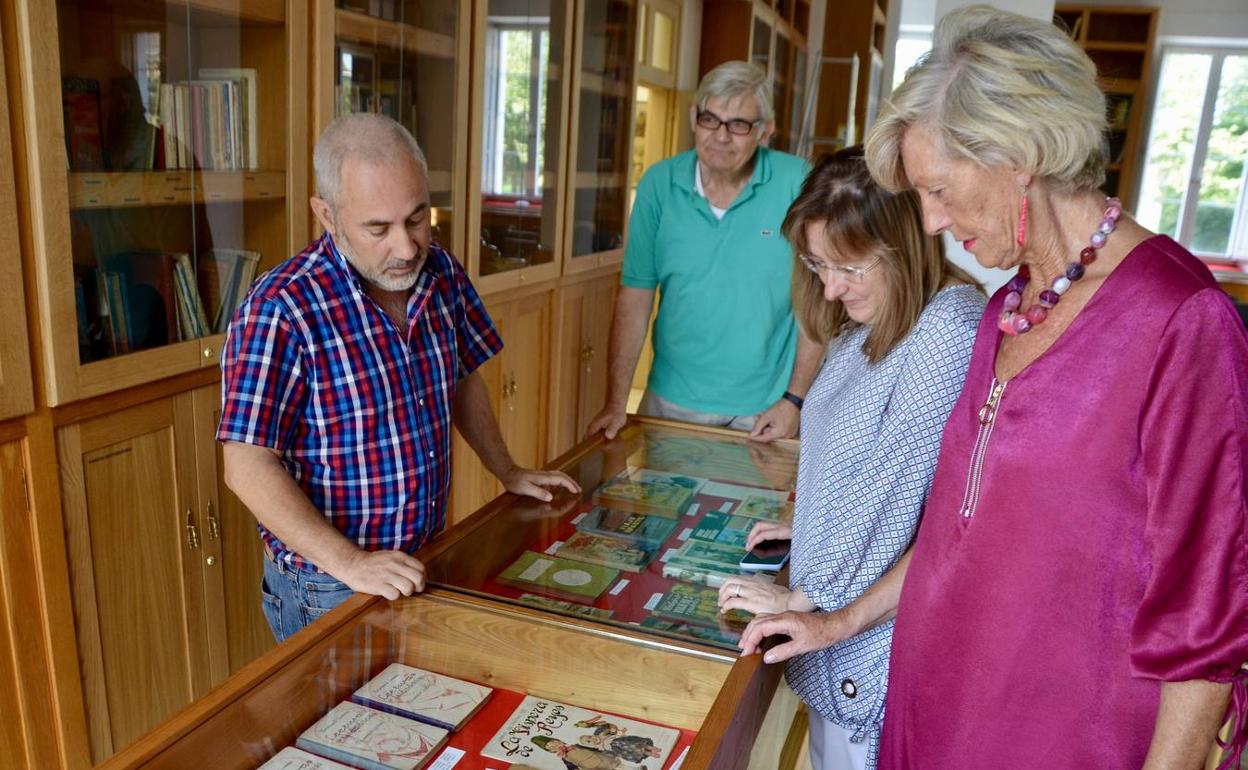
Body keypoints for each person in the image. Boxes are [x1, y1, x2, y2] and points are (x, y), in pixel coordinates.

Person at [739, 7, 1248, 769]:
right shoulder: (1007, 310)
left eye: (939, 190)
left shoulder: (1182, 321)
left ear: (1022, 154)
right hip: (930, 708)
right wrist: (838, 624)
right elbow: (951, 529)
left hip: (1060, 735)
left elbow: (1207, 624)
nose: (933, 222)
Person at [218, 114, 578, 643]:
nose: (407, 248)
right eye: (378, 229)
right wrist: (353, 562)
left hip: (423, 554)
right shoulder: (281, 308)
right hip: (329, 581)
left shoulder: (442, 272)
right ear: (327, 215)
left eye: (417, 218)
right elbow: (245, 466)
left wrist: (507, 469)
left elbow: (462, 377)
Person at [716, 147, 984, 769]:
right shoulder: (871, 317)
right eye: (817, 265)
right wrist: (807, 523)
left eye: (850, 268)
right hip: (839, 633)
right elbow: (862, 471)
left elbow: (893, 494)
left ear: (904, 245)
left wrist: (802, 599)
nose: (831, 288)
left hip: (874, 651)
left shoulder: (945, 326)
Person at [587, 60, 819, 443]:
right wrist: (616, 402)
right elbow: (636, 295)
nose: (721, 136)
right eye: (710, 119)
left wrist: (794, 400)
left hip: (765, 410)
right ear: (694, 117)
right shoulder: (658, 185)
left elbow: (816, 302)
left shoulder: (798, 182)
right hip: (670, 402)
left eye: (739, 125)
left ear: (765, 131)